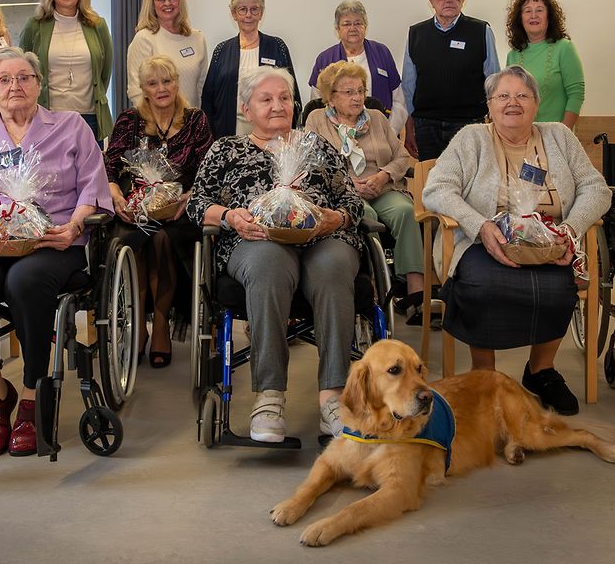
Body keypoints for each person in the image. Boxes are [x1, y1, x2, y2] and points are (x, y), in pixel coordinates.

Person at [0, 47, 112, 456]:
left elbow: (94, 189)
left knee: (26, 281)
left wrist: (74, 226)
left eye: (24, 77)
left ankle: (31, 393)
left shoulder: (71, 125)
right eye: (4, 79)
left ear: (39, 84)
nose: (15, 86)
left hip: (52, 238)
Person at [422, 65, 609, 415]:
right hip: (483, 242)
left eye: (522, 96)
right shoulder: (471, 138)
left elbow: (596, 189)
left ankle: (541, 371)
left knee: (561, 286)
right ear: (489, 105)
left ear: (537, 104)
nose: (513, 103)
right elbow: (436, 189)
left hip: (550, 241)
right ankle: (484, 374)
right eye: (503, 96)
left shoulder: (559, 136)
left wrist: (571, 229)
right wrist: (479, 225)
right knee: (482, 285)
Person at [188, 67, 363, 442]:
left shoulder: (317, 147)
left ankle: (334, 397)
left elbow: (352, 200)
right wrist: (230, 217)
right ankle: (269, 396)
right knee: (268, 264)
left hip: (322, 238)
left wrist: (335, 218)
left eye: (284, 98)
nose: (277, 105)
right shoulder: (227, 149)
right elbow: (196, 204)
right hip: (254, 240)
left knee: (333, 267)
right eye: (265, 99)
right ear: (246, 109)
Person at [105, 55, 213, 368]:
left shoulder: (195, 119)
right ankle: (138, 322)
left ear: (177, 83)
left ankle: (162, 323)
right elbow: (109, 167)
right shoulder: (129, 120)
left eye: (167, 81)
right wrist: (116, 196)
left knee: (164, 239)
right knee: (133, 239)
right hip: (135, 206)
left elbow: (209, 170)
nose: (161, 88)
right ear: (143, 89)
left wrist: (190, 196)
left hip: (180, 208)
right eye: (153, 83)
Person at [304, 61, 424, 323]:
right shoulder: (316, 120)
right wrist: (348, 182)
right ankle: (371, 289)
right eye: (349, 92)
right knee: (364, 215)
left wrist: (383, 175)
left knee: (406, 212)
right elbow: (312, 162)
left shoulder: (377, 118)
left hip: (382, 186)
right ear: (331, 97)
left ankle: (415, 294)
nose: (357, 98)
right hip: (344, 193)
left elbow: (402, 156)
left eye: (360, 91)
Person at [399, 0, 500, 160]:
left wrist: (496, 121)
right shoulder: (416, 34)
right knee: (430, 176)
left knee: (469, 177)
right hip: (426, 126)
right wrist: (409, 123)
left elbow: (493, 80)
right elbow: (408, 84)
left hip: (469, 125)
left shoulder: (481, 31)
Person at [19, 0, 113, 141]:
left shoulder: (97, 25)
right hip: (47, 118)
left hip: (90, 118)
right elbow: (23, 71)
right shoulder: (35, 25)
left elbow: (104, 73)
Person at [201, 0, 301, 138]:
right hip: (230, 131)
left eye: (254, 9)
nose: (248, 15)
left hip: (271, 131)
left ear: (261, 13)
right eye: (242, 9)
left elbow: (292, 94)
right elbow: (208, 99)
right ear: (234, 14)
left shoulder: (277, 47)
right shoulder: (221, 51)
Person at [307, 0, 404, 131]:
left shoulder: (382, 53)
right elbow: (317, 106)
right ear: (337, 29)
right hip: (336, 135)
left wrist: (389, 132)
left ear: (365, 26)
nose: (353, 28)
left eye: (358, 23)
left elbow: (399, 101)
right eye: (346, 24)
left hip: (380, 131)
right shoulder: (324, 59)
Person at [504, 0, 585, 128]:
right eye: (527, 11)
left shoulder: (564, 48)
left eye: (539, 10)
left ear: (549, 17)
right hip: (522, 133)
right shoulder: (513, 55)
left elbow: (576, 95)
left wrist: (563, 132)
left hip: (555, 133)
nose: (533, 15)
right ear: (520, 19)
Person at [126, 0, 208, 108]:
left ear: (180, 1)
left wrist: (196, 117)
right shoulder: (144, 39)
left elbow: (202, 88)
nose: (167, 3)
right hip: (157, 119)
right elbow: (136, 91)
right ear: (152, 4)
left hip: (191, 118)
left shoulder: (197, 38)